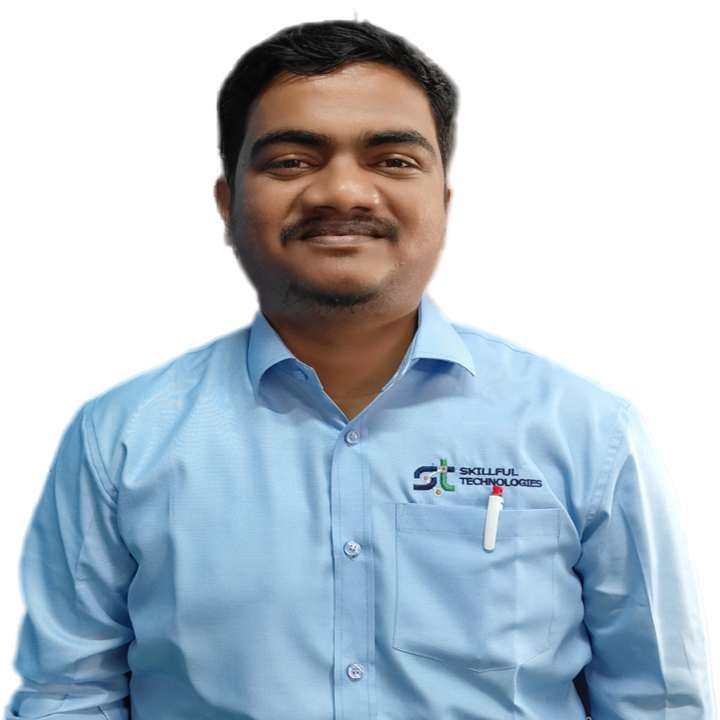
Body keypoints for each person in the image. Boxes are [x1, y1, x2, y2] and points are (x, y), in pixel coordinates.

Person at [6, 19, 714, 720]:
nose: (342, 192)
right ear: (228, 204)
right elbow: (69, 698)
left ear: (442, 202)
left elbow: (657, 704)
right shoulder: (122, 437)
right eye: (292, 160)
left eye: (393, 160)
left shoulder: (587, 431)